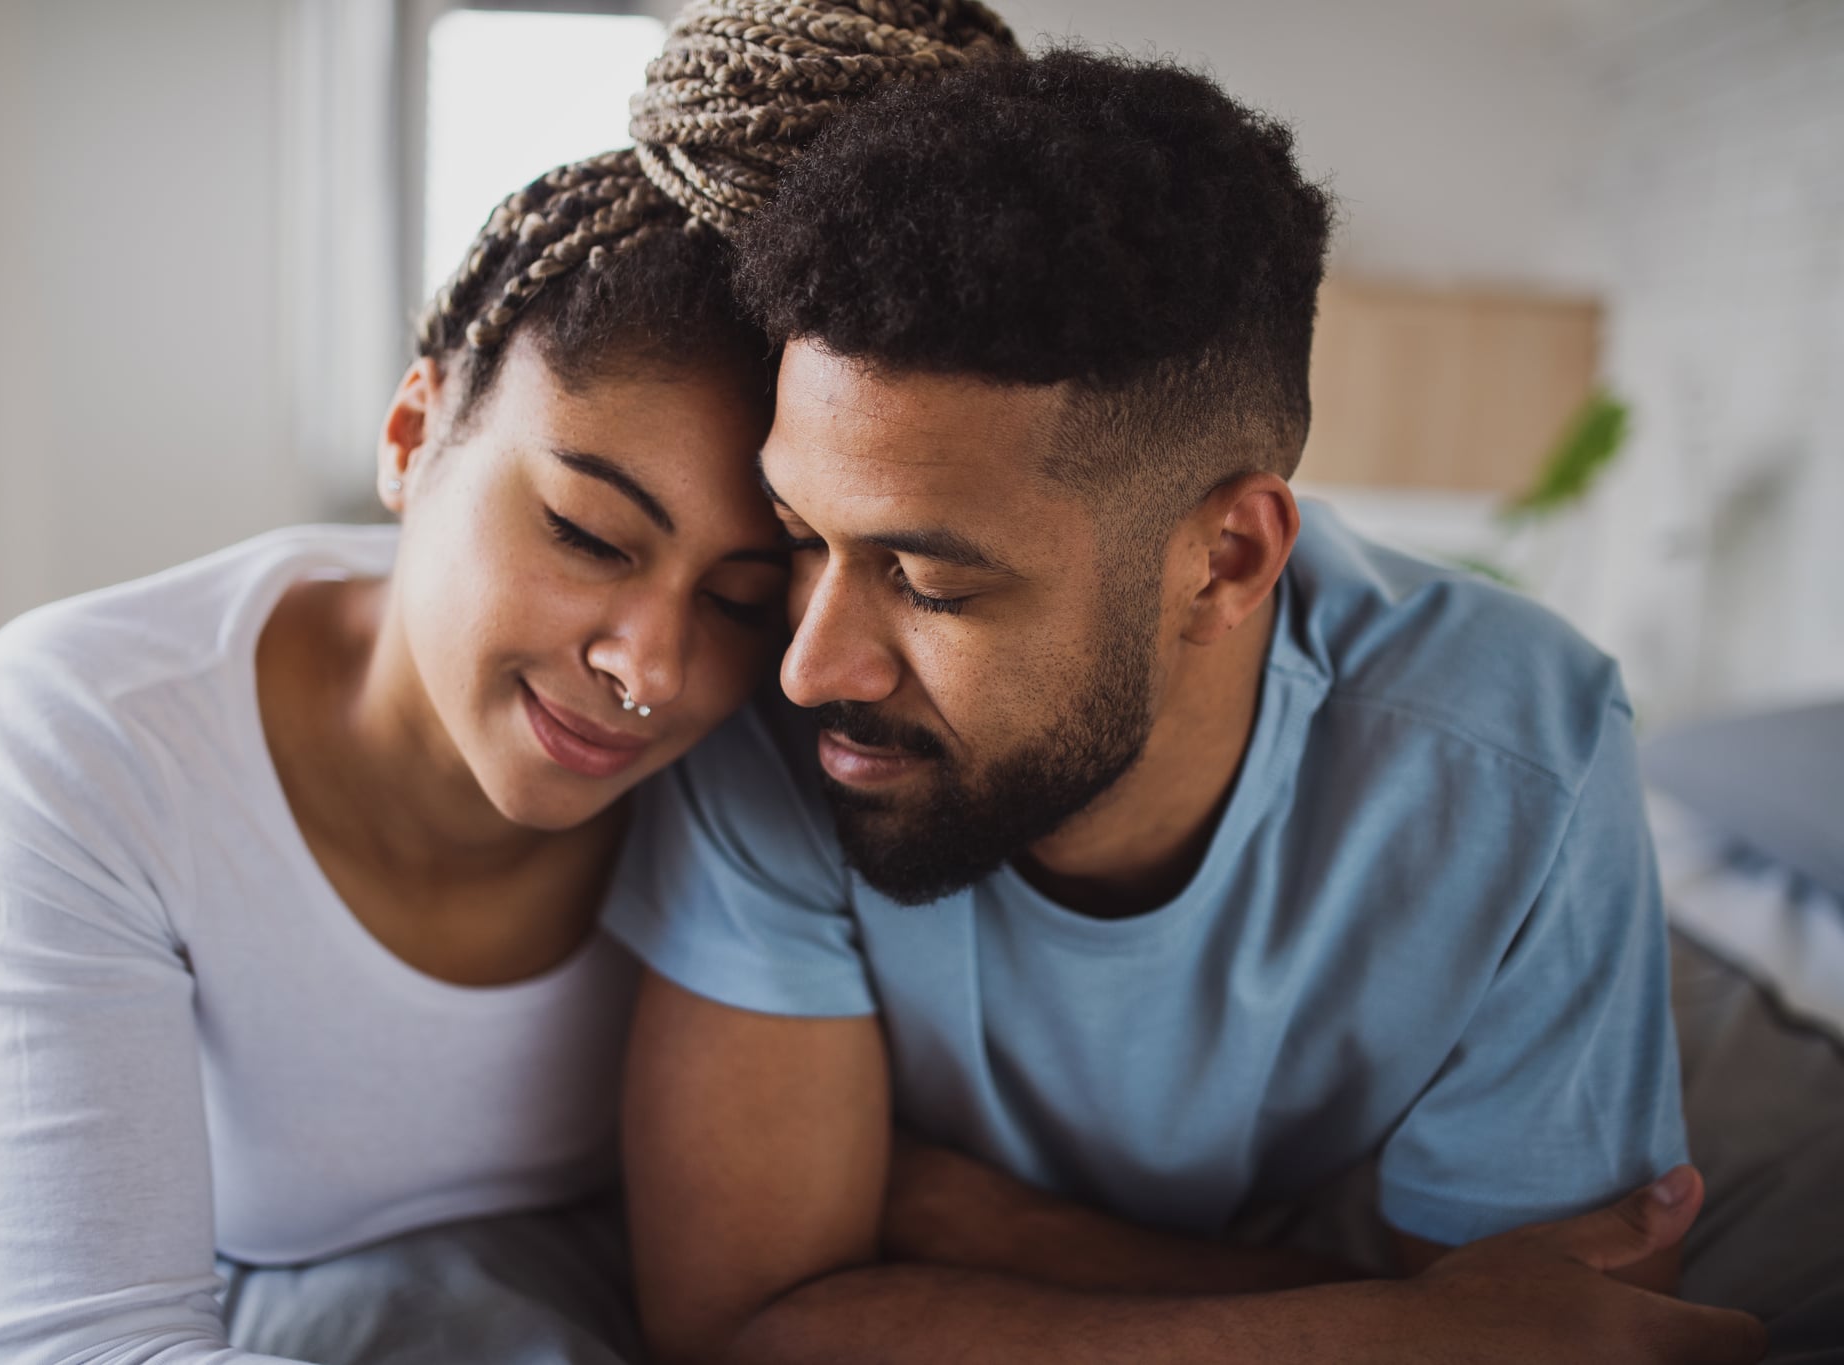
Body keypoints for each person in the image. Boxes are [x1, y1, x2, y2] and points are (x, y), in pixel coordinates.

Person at [607, 50, 1771, 1365]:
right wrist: (1383, 1326)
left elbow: (1573, 1337)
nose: (812, 663)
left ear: (1224, 560)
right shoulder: (779, 712)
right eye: (801, 533)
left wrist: (992, 1226)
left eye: (929, 580)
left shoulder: (1521, 756)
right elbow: (743, 1322)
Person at [0, 5, 1018, 1363]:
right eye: (584, 534)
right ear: (410, 430)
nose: (649, 669)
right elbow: (81, 1342)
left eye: (743, 599)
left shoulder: (790, 743)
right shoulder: (96, 722)